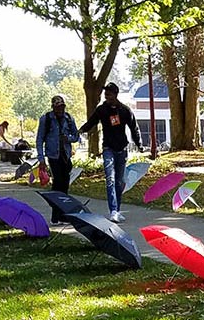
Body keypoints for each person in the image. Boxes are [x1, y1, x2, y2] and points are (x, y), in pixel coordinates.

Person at [79, 82, 143, 223]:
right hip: (108, 148)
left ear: (115, 94)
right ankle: (113, 210)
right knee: (110, 180)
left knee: (119, 182)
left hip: (122, 149)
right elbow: (91, 122)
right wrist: (81, 130)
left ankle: (117, 210)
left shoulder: (124, 111)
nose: (106, 96)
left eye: (109, 93)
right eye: (105, 94)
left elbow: (134, 128)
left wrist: (139, 144)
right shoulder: (102, 110)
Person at [36, 95, 81, 224]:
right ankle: (56, 215)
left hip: (65, 155)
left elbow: (76, 136)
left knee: (65, 184)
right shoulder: (47, 119)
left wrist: (69, 138)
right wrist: (41, 158)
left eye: (62, 107)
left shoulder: (69, 118)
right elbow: (40, 139)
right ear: (53, 107)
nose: (60, 110)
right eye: (57, 107)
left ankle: (62, 214)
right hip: (53, 155)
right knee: (58, 183)